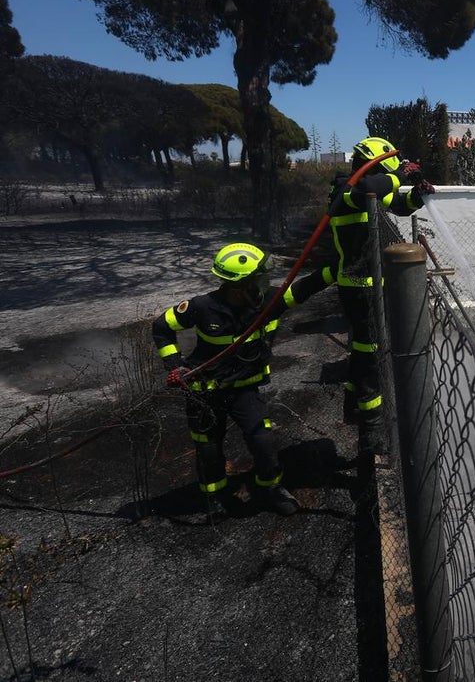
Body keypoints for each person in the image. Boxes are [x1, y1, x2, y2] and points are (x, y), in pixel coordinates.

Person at [153, 242, 335, 519]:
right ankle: (215, 496)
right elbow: (161, 327)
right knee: (208, 447)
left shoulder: (268, 302)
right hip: (203, 392)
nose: (264, 284)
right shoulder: (202, 307)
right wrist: (174, 364)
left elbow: (305, 287)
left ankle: (271, 489)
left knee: (262, 439)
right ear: (238, 288)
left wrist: (340, 267)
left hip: (243, 390)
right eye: (258, 280)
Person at [327, 137, 435, 438]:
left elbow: (398, 206)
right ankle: (373, 428)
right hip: (359, 287)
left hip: (371, 284)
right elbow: (368, 189)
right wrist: (399, 174)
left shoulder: (363, 191)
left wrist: (417, 195)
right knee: (371, 355)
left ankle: (354, 406)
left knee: (365, 352)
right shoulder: (346, 189)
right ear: (373, 165)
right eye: (386, 170)